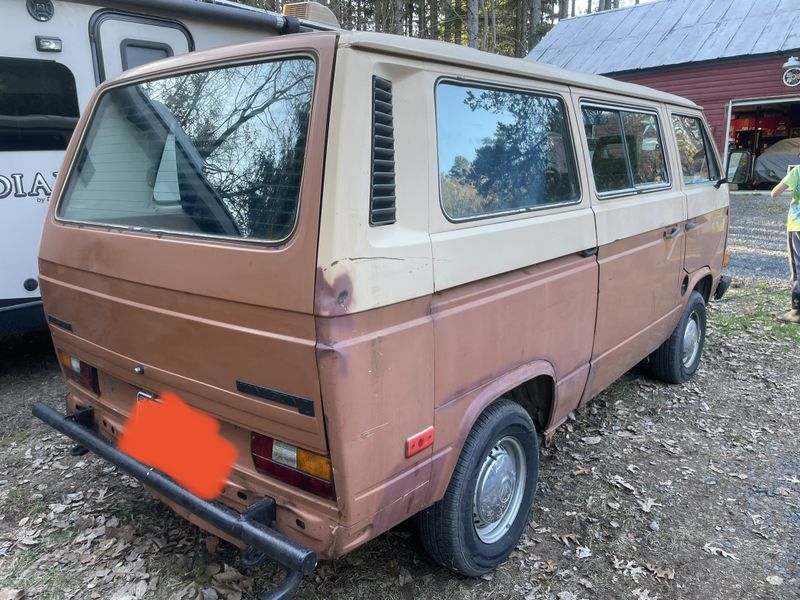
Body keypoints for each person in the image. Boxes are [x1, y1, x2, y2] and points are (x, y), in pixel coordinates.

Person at [770, 163, 800, 323]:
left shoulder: (798, 171)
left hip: (798, 226)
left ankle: (797, 311)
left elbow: (775, 193)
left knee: (797, 267)